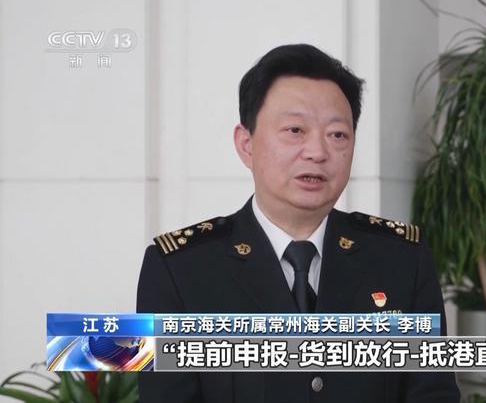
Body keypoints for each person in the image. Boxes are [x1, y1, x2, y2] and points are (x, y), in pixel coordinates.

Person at [136, 43, 460, 403]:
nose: (317, 152)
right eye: (295, 130)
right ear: (246, 144)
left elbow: (434, 395)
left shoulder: (401, 260)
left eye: (337, 135)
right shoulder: (180, 270)